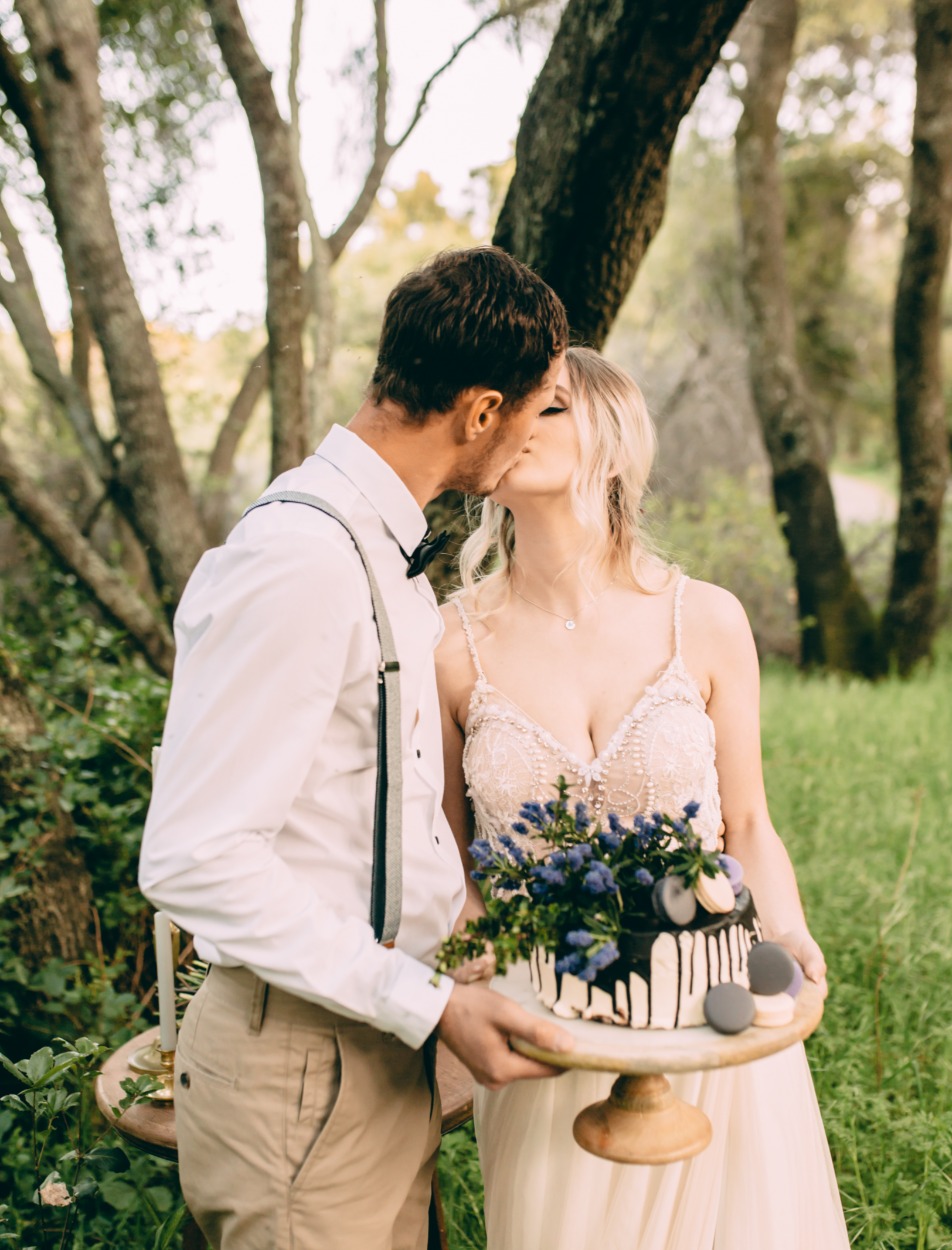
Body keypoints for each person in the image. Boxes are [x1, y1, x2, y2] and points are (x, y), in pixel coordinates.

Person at [138, 246, 575, 1250]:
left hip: (369, 1043)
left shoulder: (376, 547)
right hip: (301, 1067)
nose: (533, 434)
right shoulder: (300, 561)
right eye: (537, 405)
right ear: (478, 411)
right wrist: (418, 999)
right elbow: (195, 856)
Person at [435, 346, 852, 1250]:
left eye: (548, 410)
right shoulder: (448, 642)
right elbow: (446, 855)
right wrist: (475, 983)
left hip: (706, 1006)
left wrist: (787, 934)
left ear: (614, 444)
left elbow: (746, 822)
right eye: (504, 409)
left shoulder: (706, 619)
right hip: (546, 1029)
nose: (515, 426)